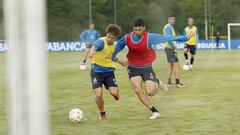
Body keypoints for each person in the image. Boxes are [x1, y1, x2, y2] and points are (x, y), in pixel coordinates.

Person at [112, 18, 193, 119]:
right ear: (133, 29)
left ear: (144, 28)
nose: (137, 32)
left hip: (146, 67)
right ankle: (154, 111)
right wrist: (119, 61)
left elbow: (167, 38)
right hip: (133, 67)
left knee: (151, 92)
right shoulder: (127, 38)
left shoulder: (149, 37)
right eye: (135, 30)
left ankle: (157, 81)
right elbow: (116, 48)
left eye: (139, 30)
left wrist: (185, 38)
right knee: (137, 90)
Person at [88, 24, 126, 120]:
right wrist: (92, 51)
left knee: (114, 93)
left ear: (115, 38)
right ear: (107, 34)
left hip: (109, 72)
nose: (109, 39)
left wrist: (121, 62)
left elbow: (112, 56)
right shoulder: (101, 41)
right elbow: (94, 46)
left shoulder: (115, 45)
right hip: (96, 71)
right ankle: (102, 114)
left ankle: (116, 94)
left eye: (112, 38)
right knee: (98, 94)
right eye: (108, 36)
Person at [163, 15, 188, 88]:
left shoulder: (169, 27)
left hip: (168, 48)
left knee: (170, 65)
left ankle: (169, 82)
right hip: (170, 48)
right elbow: (168, 38)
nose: (173, 20)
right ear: (168, 19)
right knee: (176, 64)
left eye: (174, 19)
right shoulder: (168, 27)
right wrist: (174, 46)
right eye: (171, 19)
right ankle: (177, 83)